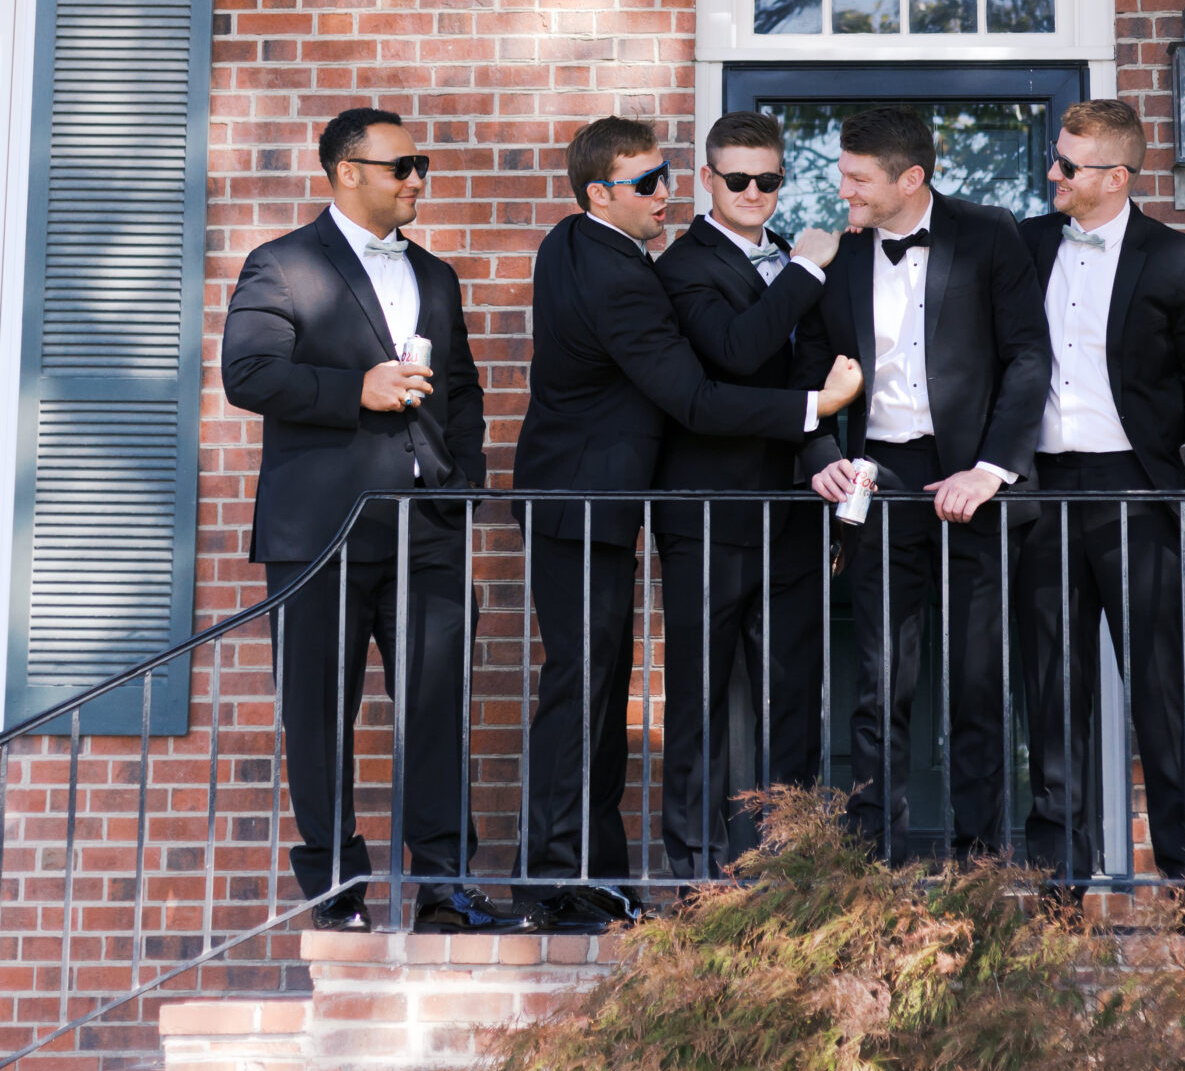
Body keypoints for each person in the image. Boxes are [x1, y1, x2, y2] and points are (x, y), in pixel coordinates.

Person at [511, 117, 862, 928]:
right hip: (589, 501)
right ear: (599, 193)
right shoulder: (636, 276)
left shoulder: (578, 244)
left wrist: (816, 443)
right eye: (648, 185)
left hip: (617, 503)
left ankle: (591, 877)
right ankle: (561, 882)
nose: (663, 196)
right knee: (585, 690)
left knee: (597, 691)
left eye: (664, 177)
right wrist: (820, 404)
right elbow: (701, 395)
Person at [222, 107, 515, 935]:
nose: (417, 178)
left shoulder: (438, 274)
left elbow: (462, 391)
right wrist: (356, 388)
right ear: (347, 171)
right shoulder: (280, 265)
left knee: (438, 710)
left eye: (420, 164)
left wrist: (463, 485)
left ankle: (447, 888)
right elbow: (247, 374)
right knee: (319, 717)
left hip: (427, 530)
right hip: (320, 536)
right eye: (401, 166)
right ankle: (334, 892)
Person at [796, 106, 1051, 864]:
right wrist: (818, 455)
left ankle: (978, 869)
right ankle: (874, 864)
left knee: (978, 682)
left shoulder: (987, 233)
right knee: (878, 685)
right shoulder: (837, 255)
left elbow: (1027, 357)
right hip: (878, 479)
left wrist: (991, 469)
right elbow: (803, 371)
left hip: (971, 476)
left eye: (856, 178)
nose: (841, 190)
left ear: (910, 178)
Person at [1017, 99, 1185, 916]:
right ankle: (1058, 890)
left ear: (1114, 177)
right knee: (1051, 692)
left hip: (1134, 493)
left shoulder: (1180, 261)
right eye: (1053, 158)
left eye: (1068, 166)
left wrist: (1145, 434)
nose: (1052, 174)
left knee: (1158, 692)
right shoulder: (1025, 244)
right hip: (1041, 494)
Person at [653, 110, 841, 877]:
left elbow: (824, 371)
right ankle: (697, 868)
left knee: (791, 694)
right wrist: (806, 273)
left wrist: (827, 454)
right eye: (738, 179)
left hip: (794, 509)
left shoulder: (799, 259)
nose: (755, 192)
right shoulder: (682, 267)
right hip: (707, 512)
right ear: (708, 180)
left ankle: (785, 860)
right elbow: (735, 352)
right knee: (699, 698)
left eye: (769, 179)